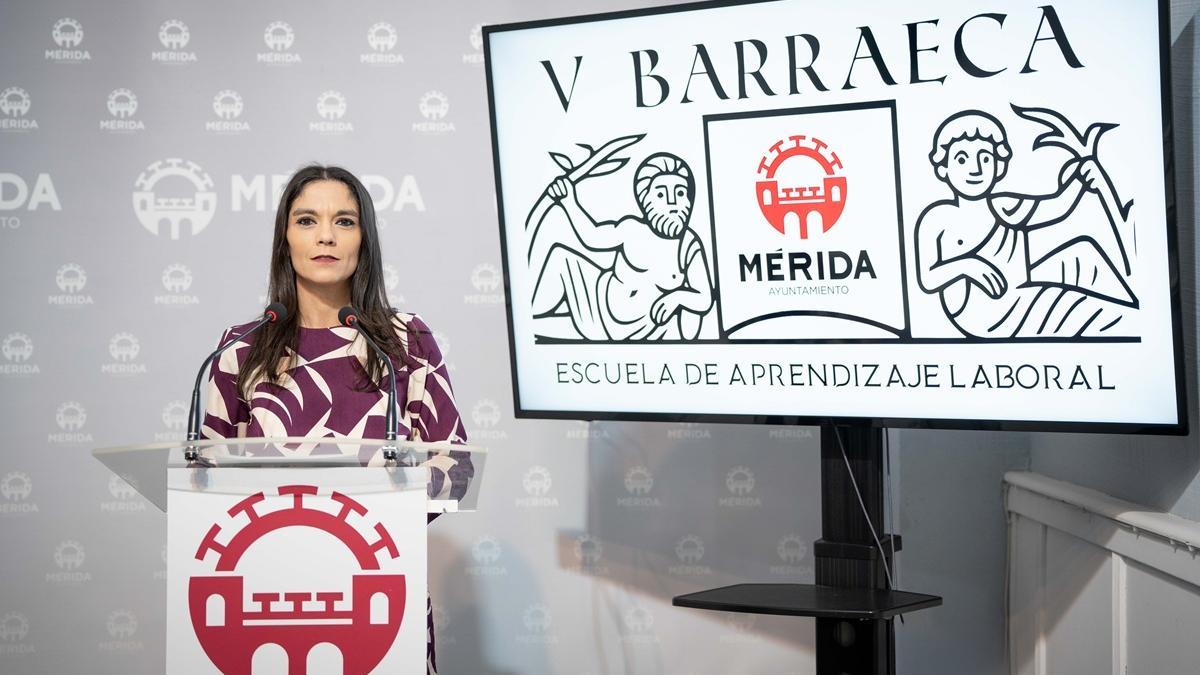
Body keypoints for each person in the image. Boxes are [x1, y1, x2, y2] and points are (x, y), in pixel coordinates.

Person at [201, 164, 470, 675]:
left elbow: (455, 467)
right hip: (267, 591)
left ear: (364, 240)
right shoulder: (241, 347)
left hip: (378, 585)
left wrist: (367, 523)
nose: (325, 235)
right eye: (307, 220)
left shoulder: (404, 341)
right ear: (285, 239)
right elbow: (202, 478)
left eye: (344, 221)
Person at [914, 110, 1136, 338]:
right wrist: (968, 266)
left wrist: (1080, 178)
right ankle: (1125, 321)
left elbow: (1056, 206)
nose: (975, 168)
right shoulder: (937, 217)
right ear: (944, 168)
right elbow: (928, 279)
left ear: (999, 166)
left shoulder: (1003, 206)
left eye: (985, 158)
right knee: (1090, 310)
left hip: (1019, 292)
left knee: (1083, 252)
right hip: (982, 313)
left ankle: (1133, 313)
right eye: (962, 159)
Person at [532, 152, 713, 340]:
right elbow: (592, 238)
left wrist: (676, 298)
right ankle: (530, 315)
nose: (672, 201)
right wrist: (569, 201)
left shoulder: (688, 245)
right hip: (597, 310)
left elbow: (705, 297)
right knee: (561, 257)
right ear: (645, 200)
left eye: (680, 192)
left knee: (691, 311)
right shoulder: (632, 229)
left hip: (644, 331)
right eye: (660, 193)